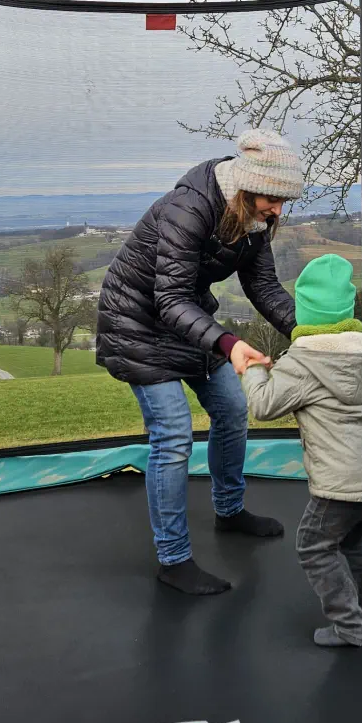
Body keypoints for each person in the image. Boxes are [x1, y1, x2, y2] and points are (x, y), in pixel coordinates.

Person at [96, 128, 303, 596]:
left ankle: (229, 511)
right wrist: (228, 344)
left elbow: (265, 289)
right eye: (273, 198)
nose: (278, 210)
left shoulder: (250, 223)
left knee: (231, 411)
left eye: (283, 201)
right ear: (247, 186)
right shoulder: (188, 208)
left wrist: (311, 335)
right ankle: (173, 559)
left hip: (188, 325)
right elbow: (168, 298)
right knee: (172, 435)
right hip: (137, 325)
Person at [239, 253, 362, 647]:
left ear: (305, 316)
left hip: (339, 485)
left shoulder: (305, 361)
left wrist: (253, 369)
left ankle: (348, 625)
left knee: (312, 545)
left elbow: (263, 405)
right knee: (357, 541)